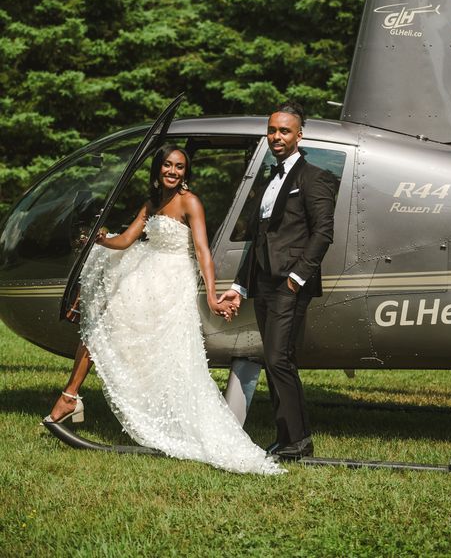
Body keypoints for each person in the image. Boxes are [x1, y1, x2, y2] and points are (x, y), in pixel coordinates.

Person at [44, 144, 284, 475]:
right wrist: (99, 241)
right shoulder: (151, 204)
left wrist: (213, 297)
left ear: (187, 172)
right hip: (145, 270)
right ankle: (70, 395)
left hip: (171, 279)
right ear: (158, 169)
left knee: (117, 325)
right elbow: (127, 240)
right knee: (102, 318)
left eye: (180, 167)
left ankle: (71, 398)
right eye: (168, 166)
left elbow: (202, 252)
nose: (173, 171)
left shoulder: (190, 202)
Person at [218, 102, 335, 460]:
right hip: (265, 284)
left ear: (300, 135)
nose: (276, 137)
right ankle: (290, 438)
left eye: (284, 131)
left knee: (278, 358)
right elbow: (259, 239)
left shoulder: (315, 177)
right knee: (276, 359)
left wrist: (297, 279)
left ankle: (297, 441)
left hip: (288, 284)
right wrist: (240, 286)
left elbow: (323, 233)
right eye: (272, 130)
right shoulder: (271, 179)